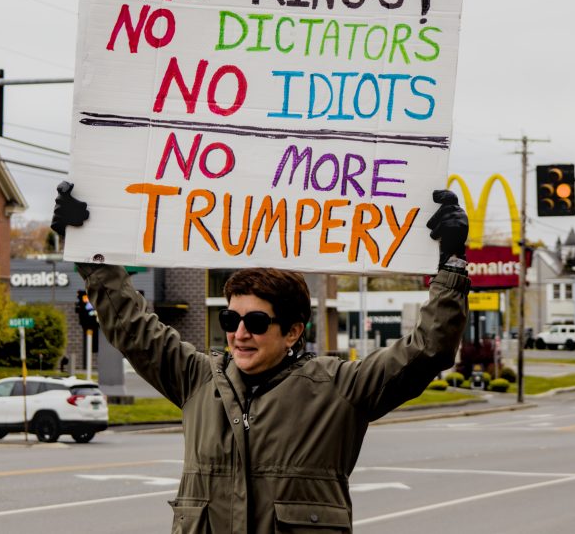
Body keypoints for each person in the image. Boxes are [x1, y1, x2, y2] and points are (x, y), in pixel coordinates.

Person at [51, 182, 470, 533]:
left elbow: (427, 349)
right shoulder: (196, 378)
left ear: (293, 331)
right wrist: (91, 253)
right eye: (230, 319)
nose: (239, 333)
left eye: (255, 321)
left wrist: (450, 264)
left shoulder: (340, 388)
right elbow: (132, 325)